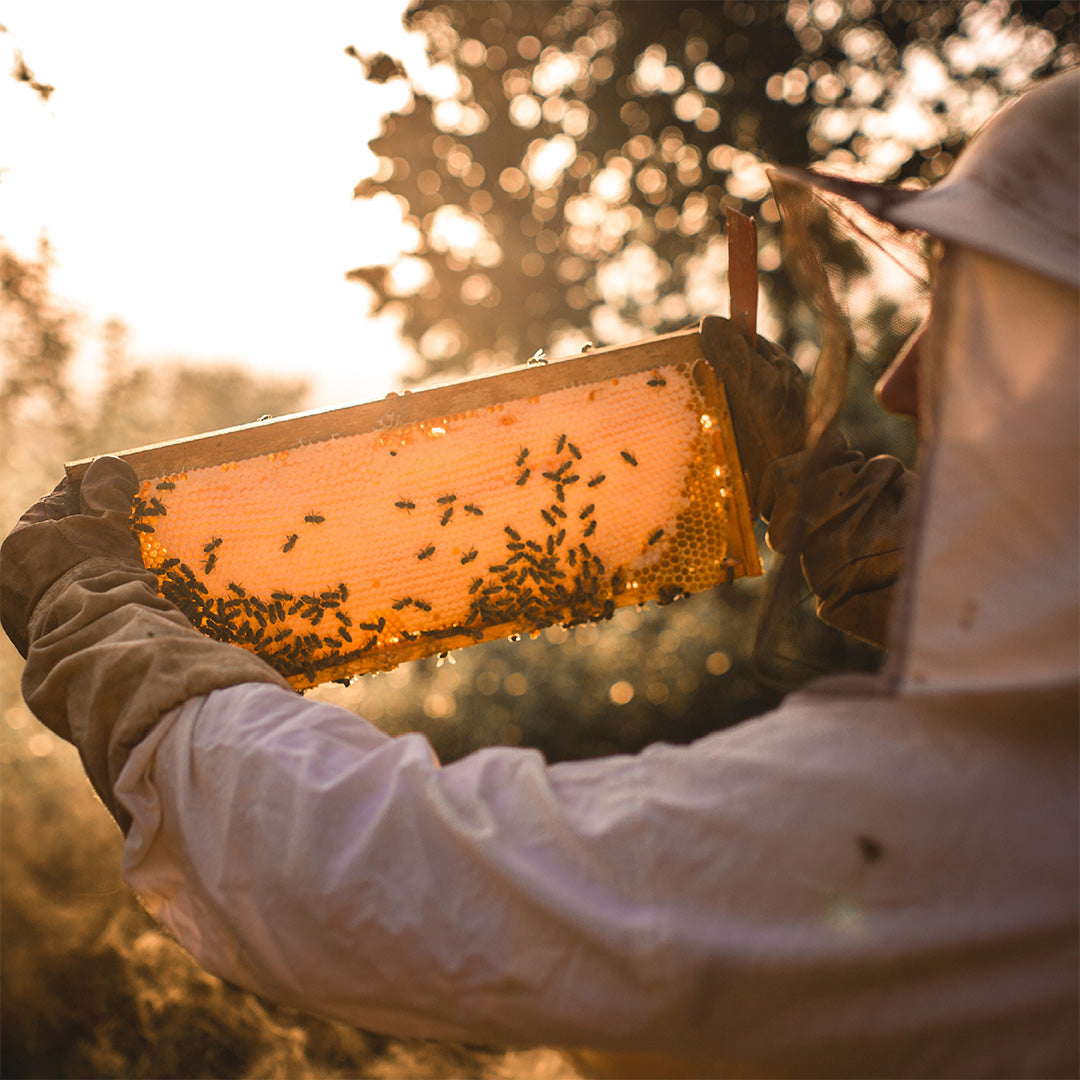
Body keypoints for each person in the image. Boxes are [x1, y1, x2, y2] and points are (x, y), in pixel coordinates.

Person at [2, 70, 1077, 1078]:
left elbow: (387, 880)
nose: (898, 380)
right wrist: (827, 499)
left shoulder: (963, 827)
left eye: (977, 315)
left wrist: (108, 638)